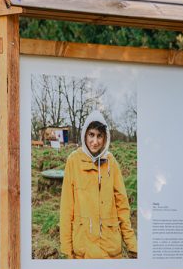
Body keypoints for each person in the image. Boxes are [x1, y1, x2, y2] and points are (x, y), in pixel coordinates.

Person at [59, 110, 138, 259]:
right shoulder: (73, 161)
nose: (95, 142)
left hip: (110, 249)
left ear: (105, 137)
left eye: (99, 136)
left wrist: (132, 245)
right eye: (91, 135)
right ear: (84, 135)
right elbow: (66, 209)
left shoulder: (111, 163)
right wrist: (66, 251)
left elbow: (122, 205)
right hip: (83, 250)